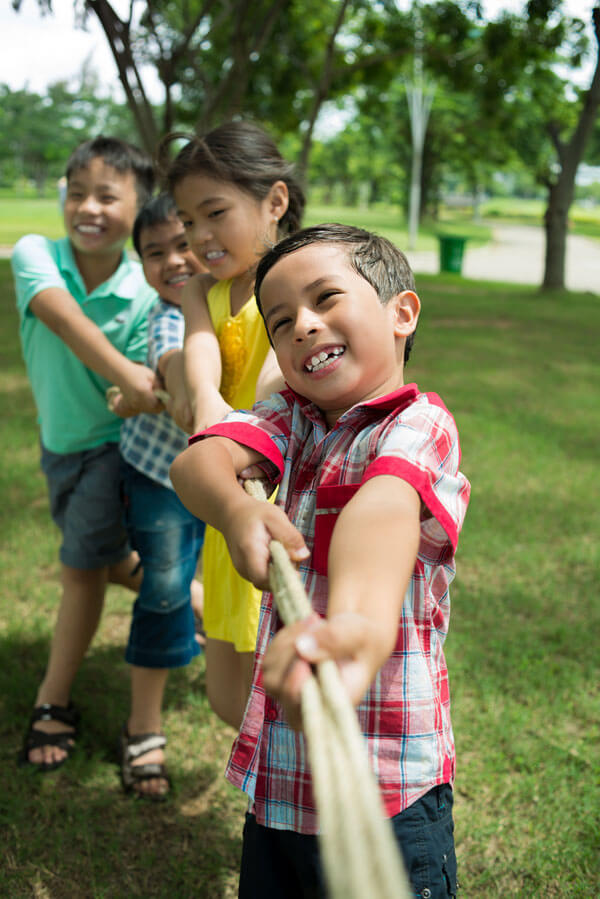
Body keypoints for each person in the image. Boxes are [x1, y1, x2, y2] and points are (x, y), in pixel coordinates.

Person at [170, 223, 471, 898]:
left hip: (388, 789)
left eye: (326, 298)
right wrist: (237, 507)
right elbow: (199, 462)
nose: (303, 325)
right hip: (280, 784)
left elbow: (381, 508)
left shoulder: (419, 425)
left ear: (402, 312)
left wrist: (358, 627)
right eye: (281, 321)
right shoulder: (291, 416)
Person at [12, 136, 161, 772]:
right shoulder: (34, 253)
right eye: (77, 194)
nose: (88, 208)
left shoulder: (144, 291)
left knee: (79, 570)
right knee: (100, 559)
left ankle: (53, 702)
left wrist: (136, 387)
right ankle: (190, 600)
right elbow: (58, 314)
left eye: (108, 195)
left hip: (110, 447)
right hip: (60, 445)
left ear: (140, 205)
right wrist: (129, 375)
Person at [161, 120, 305, 728]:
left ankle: (298, 806)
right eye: (189, 221)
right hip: (231, 502)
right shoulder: (203, 290)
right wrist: (202, 398)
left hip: (289, 500)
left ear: (274, 201)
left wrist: (253, 414)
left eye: (215, 212)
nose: (199, 236)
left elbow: (282, 366)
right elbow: (199, 349)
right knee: (228, 699)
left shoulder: (297, 272)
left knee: (286, 694)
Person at [113, 192, 207, 800]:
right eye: (155, 253)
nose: (174, 261)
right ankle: (142, 727)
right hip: (160, 474)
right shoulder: (167, 316)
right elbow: (172, 360)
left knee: (197, 580)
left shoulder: (232, 302)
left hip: (219, 476)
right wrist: (182, 395)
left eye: (184, 243)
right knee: (166, 586)